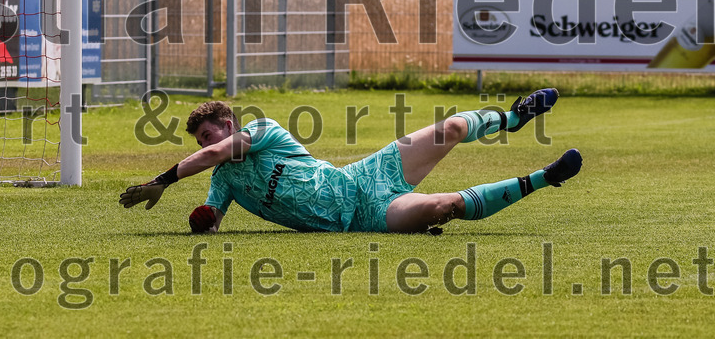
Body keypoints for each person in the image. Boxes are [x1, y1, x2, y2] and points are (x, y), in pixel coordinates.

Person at [119, 89, 582, 234]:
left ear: (228, 124)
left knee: (452, 129)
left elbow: (216, 153)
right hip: (365, 216)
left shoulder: (262, 131)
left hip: (365, 175)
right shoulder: (224, 181)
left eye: (207, 135)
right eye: (200, 140)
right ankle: (546, 177)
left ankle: (512, 119)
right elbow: (213, 218)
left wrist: (162, 179)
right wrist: (204, 220)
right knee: (445, 207)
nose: (206, 146)